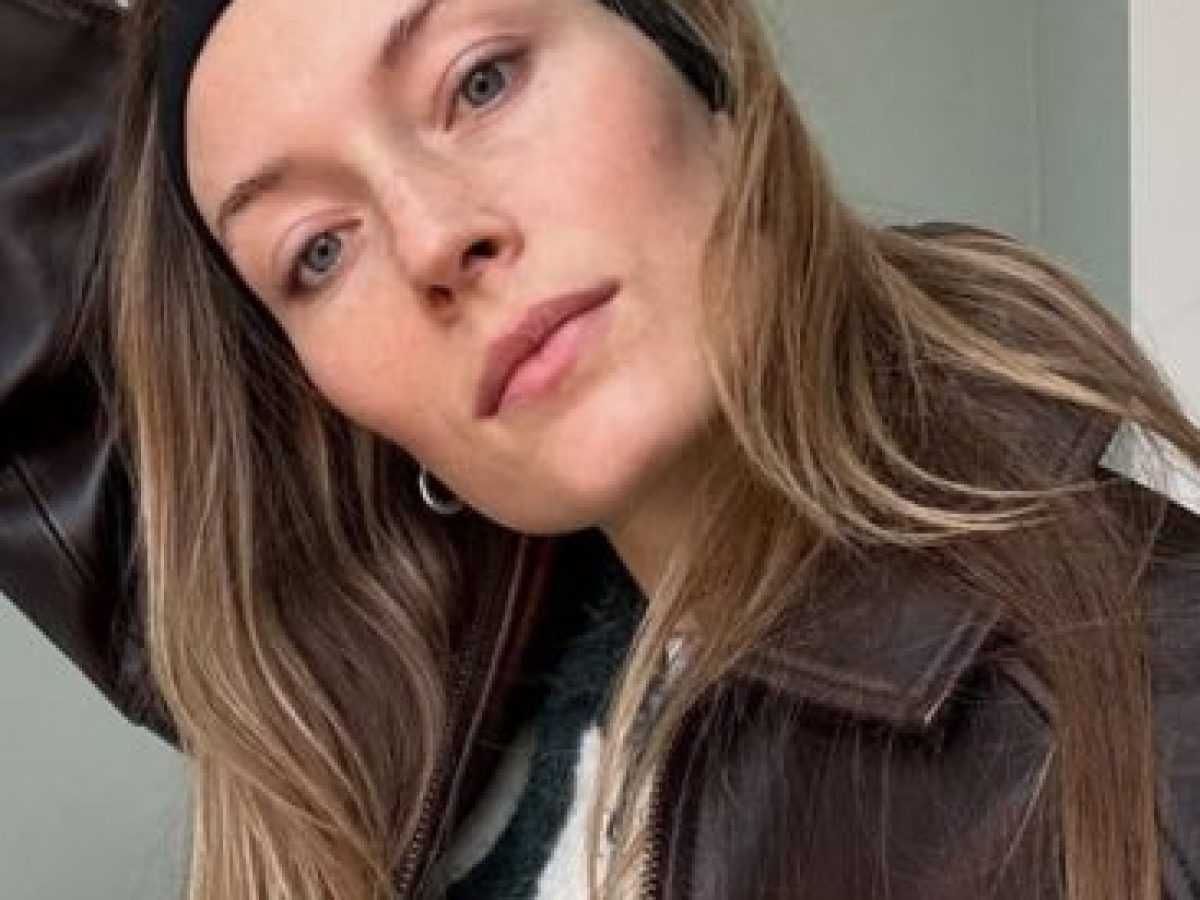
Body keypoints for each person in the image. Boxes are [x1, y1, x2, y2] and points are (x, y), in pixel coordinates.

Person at [3, 0, 1200, 898]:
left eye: (480, 82)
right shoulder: (392, 701)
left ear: (692, 48)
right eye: (318, 249)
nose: (431, 238)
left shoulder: (1130, 730)